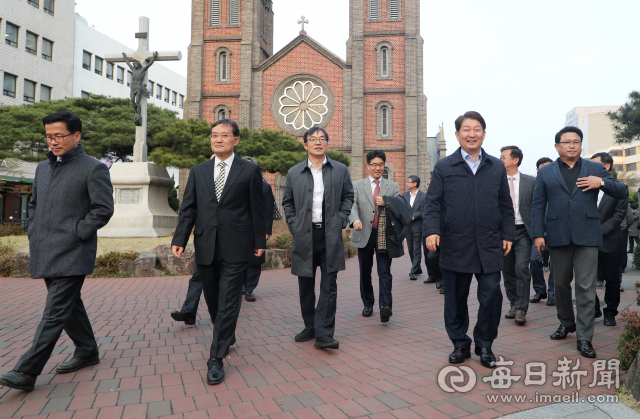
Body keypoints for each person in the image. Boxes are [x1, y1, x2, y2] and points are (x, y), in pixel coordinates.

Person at [0, 111, 114, 391]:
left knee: (53, 312)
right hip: (45, 247)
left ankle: (27, 371)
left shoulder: (93, 168)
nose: (53, 141)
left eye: (59, 136)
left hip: (73, 251)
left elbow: (103, 209)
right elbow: (35, 204)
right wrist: (33, 227)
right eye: (49, 136)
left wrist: (77, 232)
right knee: (68, 306)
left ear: (76, 136)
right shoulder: (42, 168)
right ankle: (87, 350)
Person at [171, 119, 266, 385]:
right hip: (205, 244)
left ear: (236, 139)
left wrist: (260, 240)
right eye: (214, 135)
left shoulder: (248, 170)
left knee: (228, 300)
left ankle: (216, 357)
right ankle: (226, 333)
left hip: (237, 245)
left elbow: (257, 209)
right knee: (212, 298)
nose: (218, 139)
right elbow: (189, 207)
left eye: (224, 135)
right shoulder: (198, 171)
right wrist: (180, 237)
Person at [423, 111, 515, 368]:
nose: (471, 133)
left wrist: (508, 233)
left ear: (484, 134)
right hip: (455, 242)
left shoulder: (496, 166)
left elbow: (505, 205)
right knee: (455, 299)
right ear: (457, 135)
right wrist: (432, 230)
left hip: (489, 243)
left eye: (477, 129)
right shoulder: (444, 166)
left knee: (491, 297)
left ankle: (485, 344)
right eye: (466, 129)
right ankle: (459, 344)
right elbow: (432, 203)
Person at [532, 126, 627, 358]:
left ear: (581, 145)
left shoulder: (595, 168)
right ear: (557, 146)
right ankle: (566, 323)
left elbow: (622, 190)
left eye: (576, 141)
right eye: (567, 142)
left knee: (585, 288)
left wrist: (601, 183)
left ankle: (585, 337)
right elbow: (537, 205)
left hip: (587, 235)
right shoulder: (546, 172)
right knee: (561, 284)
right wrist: (538, 234)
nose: (572, 145)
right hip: (557, 235)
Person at [282, 127, 353, 350]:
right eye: (312, 139)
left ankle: (324, 334)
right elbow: (288, 203)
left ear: (327, 144)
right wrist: (294, 224)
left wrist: (341, 219)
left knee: (329, 286)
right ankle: (310, 326)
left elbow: (348, 196)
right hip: (304, 235)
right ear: (305, 145)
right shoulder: (294, 172)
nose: (318, 142)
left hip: (329, 235)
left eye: (322, 139)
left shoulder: (340, 170)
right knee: (306, 285)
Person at [349, 151, 401, 322]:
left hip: (384, 235)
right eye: (374, 164)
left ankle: (385, 306)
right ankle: (368, 304)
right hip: (364, 232)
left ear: (384, 166)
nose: (378, 168)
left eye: (381, 164)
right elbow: (352, 205)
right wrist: (354, 219)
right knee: (365, 271)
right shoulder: (357, 185)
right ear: (368, 166)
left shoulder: (392, 186)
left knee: (384, 271)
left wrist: (388, 201)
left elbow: (401, 207)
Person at [590, 152, 628, 327]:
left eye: (594, 165)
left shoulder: (619, 188)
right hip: (588, 242)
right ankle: (595, 307)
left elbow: (619, 215)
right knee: (587, 279)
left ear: (606, 167)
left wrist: (599, 231)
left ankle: (610, 312)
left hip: (611, 241)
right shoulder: (586, 185)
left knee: (612, 280)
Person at [500, 146, 535, 325]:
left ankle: (522, 308)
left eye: (504, 157)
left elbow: (537, 208)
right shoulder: (496, 182)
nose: (501, 160)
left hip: (523, 232)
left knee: (521, 268)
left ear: (515, 160)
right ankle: (513, 304)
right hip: (504, 232)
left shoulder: (531, 181)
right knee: (507, 270)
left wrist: (538, 234)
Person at [242, 156, 276, 302]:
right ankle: (240, 286)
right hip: (239, 230)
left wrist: (266, 231)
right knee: (239, 260)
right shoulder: (235, 185)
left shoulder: (265, 187)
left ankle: (250, 289)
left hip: (257, 230)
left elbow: (269, 211)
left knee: (255, 261)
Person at [530, 158, 555, 306]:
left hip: (556, 231)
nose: (544, 169)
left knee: (556, 265)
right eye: (541, 167)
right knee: (534, 260)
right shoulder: (533, 186)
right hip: (538, 232)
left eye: (547, 166)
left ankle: (553, 294)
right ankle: (540, 291)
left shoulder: (557, 185)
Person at [403, 175, 427, 281]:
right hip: (407, 226)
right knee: (410, 249)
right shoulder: (404, 195)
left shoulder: (423, 196)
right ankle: (416, 268)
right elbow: (402, 208)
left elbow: (423, 210)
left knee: (416, 249)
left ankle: (413, 271)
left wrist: (414, 216)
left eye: (408, 182)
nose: (407, 184)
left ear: (415, 184)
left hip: (417, 225)